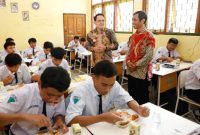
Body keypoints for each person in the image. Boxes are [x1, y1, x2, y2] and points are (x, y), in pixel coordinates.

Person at [66, 60, 150, 126]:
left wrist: (138, 108)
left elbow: (128, 100)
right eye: (104, 85)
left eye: (111, 85)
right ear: (94, 78)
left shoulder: (115, 85)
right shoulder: (81, 91)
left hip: (103, 127)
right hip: (85, 129)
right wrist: (102, 117)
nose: (108, 89)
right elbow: (71, 120)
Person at [0, 67, 71, 135]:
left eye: (58, 96)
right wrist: (24, 117)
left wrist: (59, 120)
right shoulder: (22, 93)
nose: (53, 100)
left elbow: (58, 113)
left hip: (48, 132)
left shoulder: (59, 93)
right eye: (49, 95)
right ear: (39, 84)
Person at [126, 11, 155, 104]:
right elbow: (129, 52)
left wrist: (136, 65)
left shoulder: (149, 36)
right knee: (131, 96)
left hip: (141, 72)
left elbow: (149, 56)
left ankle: (144, 116)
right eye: (132, 20)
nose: (132, 22)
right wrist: (128, 61)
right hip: (131, 71)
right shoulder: (133, 36)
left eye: (135, 20)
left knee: (142, 98)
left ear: (143, 21)